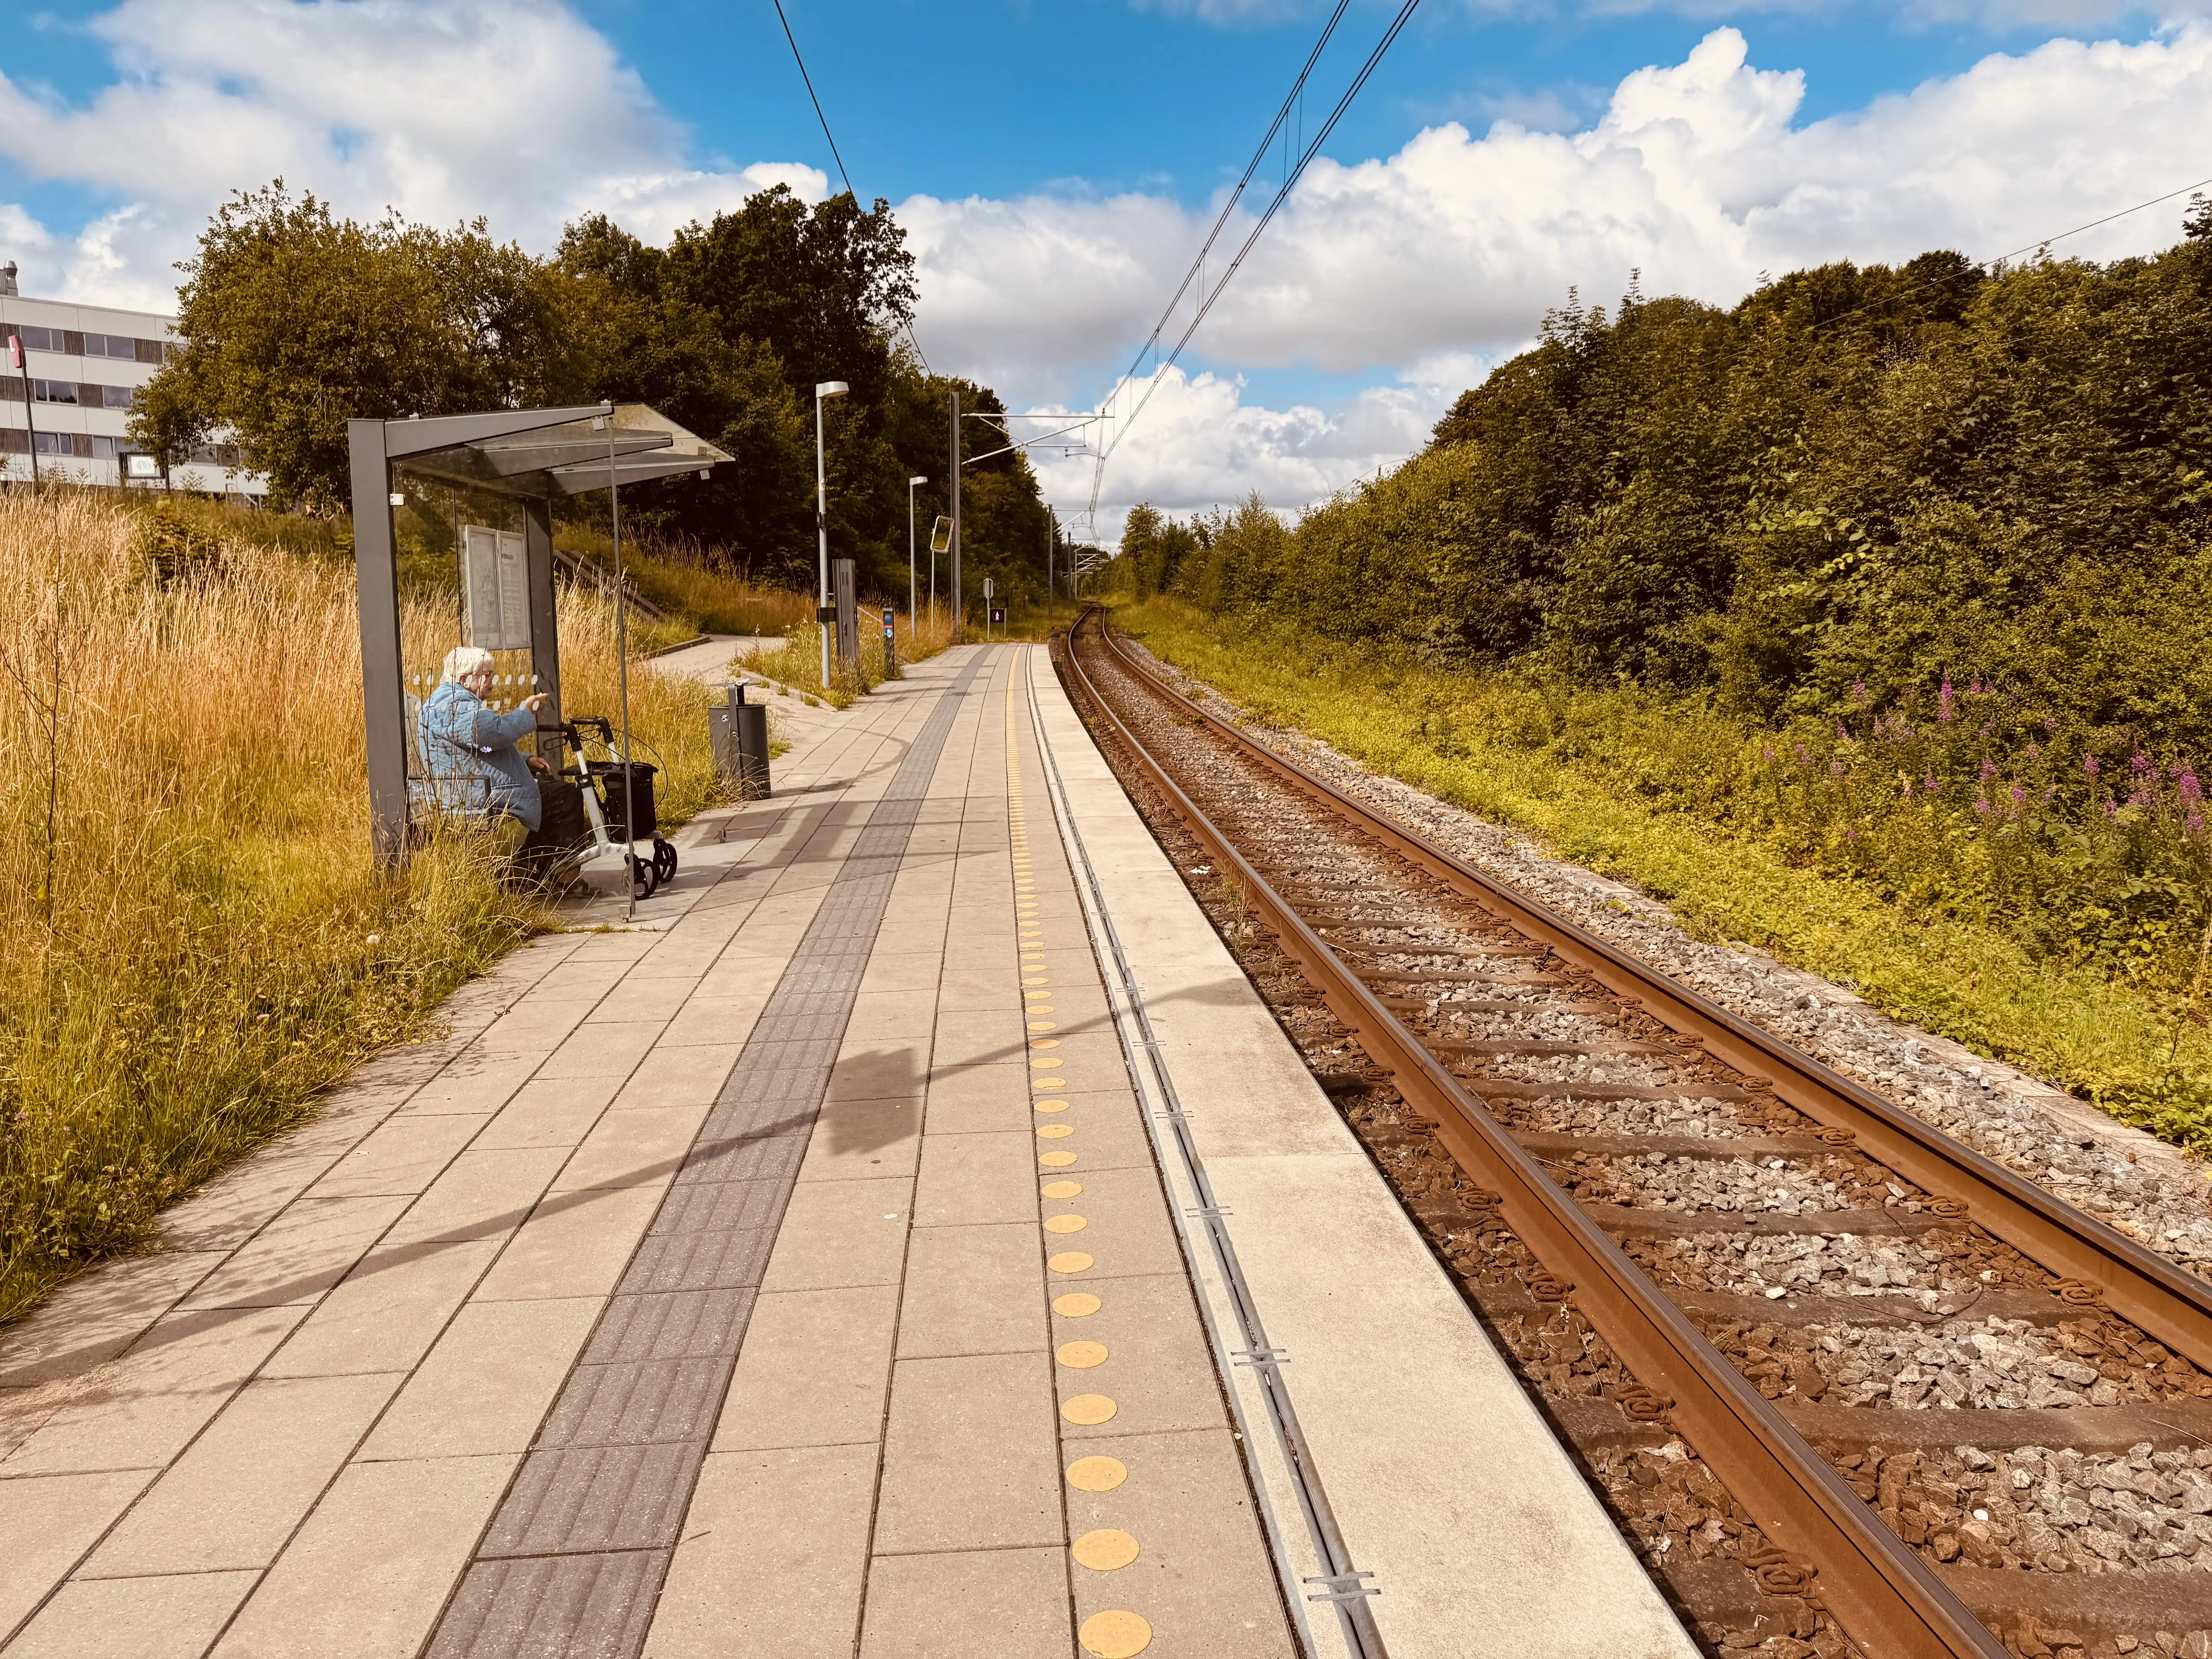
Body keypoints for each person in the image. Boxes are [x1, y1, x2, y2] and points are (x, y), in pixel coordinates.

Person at [417, 645, 550, 846]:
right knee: (564, 796)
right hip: (476, 797)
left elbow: (478, 750)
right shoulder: (454, 705)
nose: (492, 681)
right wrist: (527, 712)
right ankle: (549, 870)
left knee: (551, 795)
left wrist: (525, 761)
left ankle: (533, 866)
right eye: (487, 675)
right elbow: (495, 733)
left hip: (474, 791)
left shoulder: (449, 701)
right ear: (464, 680)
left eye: (493, 675)